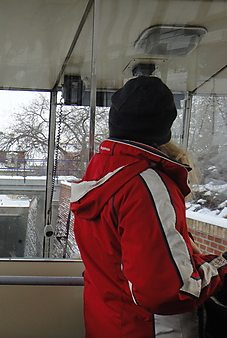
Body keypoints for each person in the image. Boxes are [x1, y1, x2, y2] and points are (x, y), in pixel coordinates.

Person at [70, 76, 227, 337]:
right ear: (165, 125)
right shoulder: (147, 185)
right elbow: (166, 292)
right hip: (148, 329)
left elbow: (117, 257)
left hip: (108, 322)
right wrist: (220, 267)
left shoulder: (100, 172)